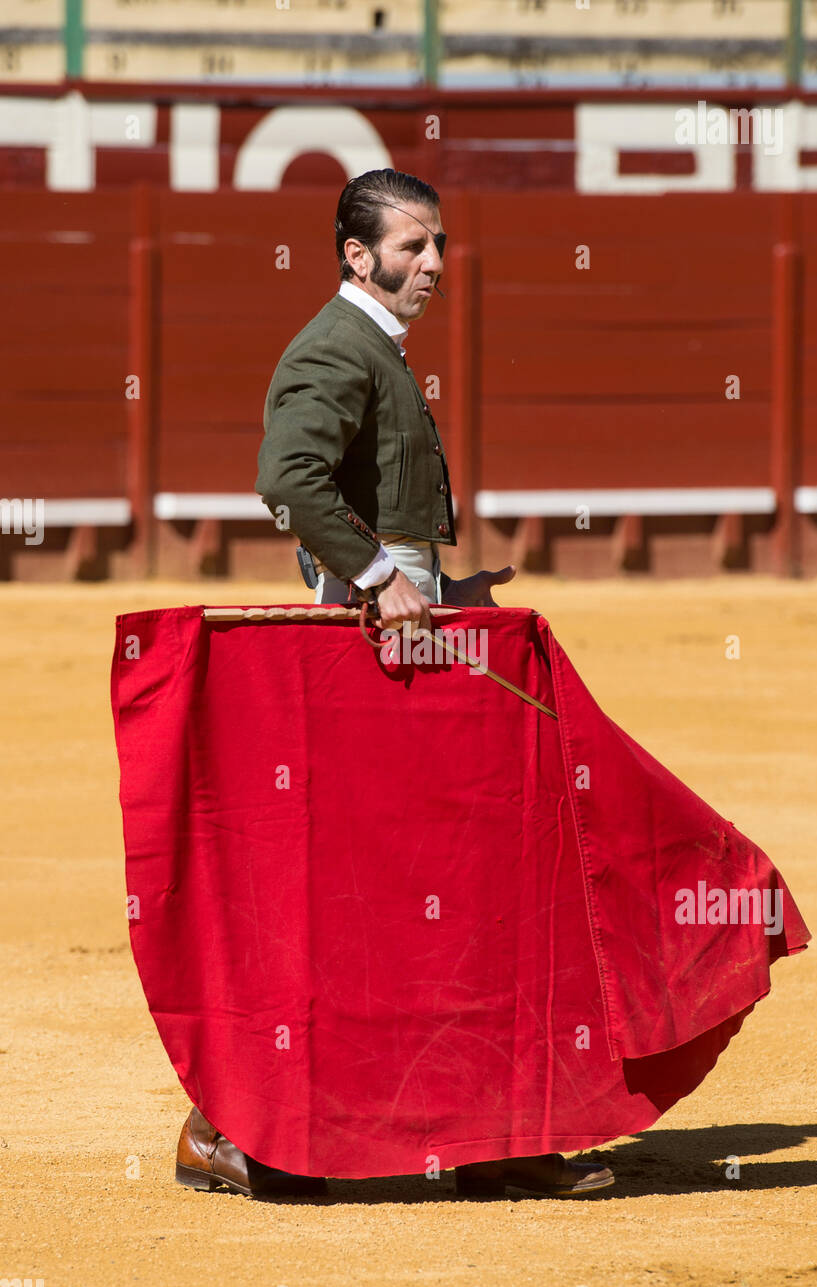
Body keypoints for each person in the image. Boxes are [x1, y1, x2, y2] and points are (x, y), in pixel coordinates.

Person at [175, 168, 613, 1199]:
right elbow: (290, 480)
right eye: (413, 248)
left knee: (428, 887)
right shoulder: (339, 344)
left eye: (440, 246)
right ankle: (234, 1126)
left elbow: (377, 521)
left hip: (402, 638)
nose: (434, 267)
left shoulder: (370, 349)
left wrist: (443, 583)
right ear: (356, 255)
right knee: (397, 887)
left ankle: (477, 1131)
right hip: (362, 656)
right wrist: (381, 578)